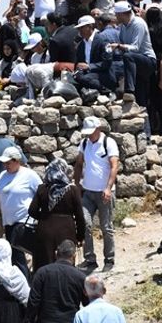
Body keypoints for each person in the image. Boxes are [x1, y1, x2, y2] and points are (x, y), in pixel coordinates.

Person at [72, 116, 118, 273]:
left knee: (106, 227)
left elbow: (114, 166)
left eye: (91, 132)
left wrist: (108, 188)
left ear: (98, 129)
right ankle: (90, 259)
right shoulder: (84, 143)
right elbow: (79, 164)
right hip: (88, 192)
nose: (89, 135)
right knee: (85, 224)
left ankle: (109, 259)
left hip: (104, 192)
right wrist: (77, 185)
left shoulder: (108, 143)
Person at [0, 146, 41, 273]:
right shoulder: (2, 176)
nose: (5, 166)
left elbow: (41, 194)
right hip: (8, 222)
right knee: (15, 257)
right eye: (4, 163)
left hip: (24, 222)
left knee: (20, 257)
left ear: (16, 161)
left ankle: (25, 287)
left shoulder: (29, 175)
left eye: (8, 163)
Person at [28, 158, 85, 271]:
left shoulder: (42, 189)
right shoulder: (72, 190)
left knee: (45, 263)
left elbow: (32, 211)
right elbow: (79, 216)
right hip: (67, 231)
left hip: (45, 231)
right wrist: (80, 236)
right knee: (65, 263)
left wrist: (44, 217)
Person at [26, 239, 87, 323]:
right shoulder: (80, 277)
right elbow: (87, 303)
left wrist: (29, 322)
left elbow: (33, 301)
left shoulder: (42, 273)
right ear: (74, 256)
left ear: (56, 254)